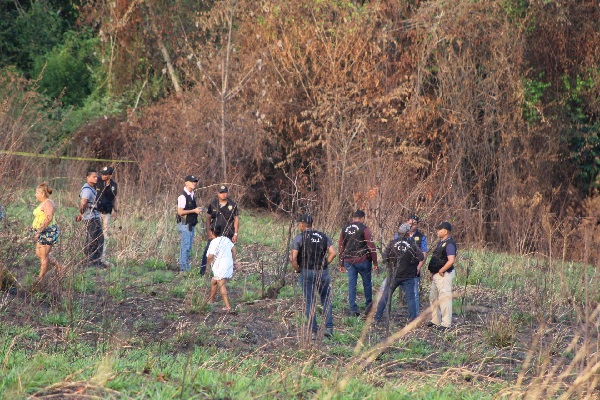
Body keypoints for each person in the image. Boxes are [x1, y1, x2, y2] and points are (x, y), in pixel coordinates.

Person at [291, 214, 337, 339]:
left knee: (310, 301)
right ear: (311, 224)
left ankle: (313, 331)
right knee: (326, 299)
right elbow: (333, 253)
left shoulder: (299, 238)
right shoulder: (323, 236)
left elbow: (293, 258)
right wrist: (325, 263)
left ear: (301, 224)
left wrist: (298, 270)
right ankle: (329, 328)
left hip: (306, 272)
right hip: (322, 272)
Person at [374, 223, 424, 322]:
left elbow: (384, 257)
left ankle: (377, 317)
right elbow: (421, 257)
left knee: (386, 296)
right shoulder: (412, 244)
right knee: (410, 298)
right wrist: (413, 262)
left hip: (393, 275)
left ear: (399, 232)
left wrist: (390, 263)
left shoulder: (392, 243)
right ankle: (413, 320)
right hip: (408, 276)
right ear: (408, 233)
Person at [338, 209, 378, 316]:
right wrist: (375, 262)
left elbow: (341, 247)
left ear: (353, 218)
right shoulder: (364, 229)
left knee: (352, 285)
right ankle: (369, 308)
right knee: (367, 283)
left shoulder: (344, 229)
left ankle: (353, 309)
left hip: (348, 261)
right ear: (362, 218)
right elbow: (371, 246)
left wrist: (341, 263)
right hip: (363, 260)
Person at [201, 185, 240, 275]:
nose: (223, 194)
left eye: (225, 192)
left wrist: (236, 233)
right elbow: (208, 217)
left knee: (229, 252)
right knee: (208, 251)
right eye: (221, 193)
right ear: (218, 193)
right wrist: (208, 231)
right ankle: (203, 271)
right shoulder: (213, 204)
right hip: (215, 233)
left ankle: (227, 272)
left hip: (228, 233)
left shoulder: (232, 205)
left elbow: (236, 219)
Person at [396, 215, 428, 315]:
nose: (411, 226)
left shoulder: (421, 237)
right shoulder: (399, 235)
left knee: (413, 293)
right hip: (399, 269)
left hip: (413, 269)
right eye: (409, 224)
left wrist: (418, 267)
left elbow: (424, 253)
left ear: (417, 225)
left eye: (414, 224)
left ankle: (415, 316)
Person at [427, 221, 457, 330]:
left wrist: (441, 271)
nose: (437, 231)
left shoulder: (449, 244)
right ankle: (435, 320)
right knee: (433, 297)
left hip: (444, 275)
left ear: (445, 231)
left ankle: (446, 324)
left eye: (439, 230)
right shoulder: (441, 242)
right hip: (436, 275)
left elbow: (451, 260)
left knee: (444, 298)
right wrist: (433, 273)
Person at [32, 182, 62, 282]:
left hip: (47, 232)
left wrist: (39, 231)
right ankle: (59, 266)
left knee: (43, 256)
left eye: (36, 193)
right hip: (42, 231)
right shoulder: (43, 203)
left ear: (42, 194)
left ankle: (40, 280)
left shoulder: (49, 203)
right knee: (39, 254)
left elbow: (49, 218)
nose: (35, 195)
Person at [76, 169, 104, 267]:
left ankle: (93, 261)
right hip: (91, 217)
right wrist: (80, 214)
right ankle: (92, 262)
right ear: (88, 177)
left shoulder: (92, 188)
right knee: (95, 240)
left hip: (93, 216)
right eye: (94, 177)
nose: (96, 178)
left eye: (97, 177)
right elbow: (84, 202)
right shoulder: (87, 189)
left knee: (95, 239)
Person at [207, 224, 237, 311]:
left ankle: (227, 306)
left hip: (220, 266)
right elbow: (234, 249)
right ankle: (211, 300)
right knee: (214, 281)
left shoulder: (214, 242)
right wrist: (233, 260)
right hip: (227, 264)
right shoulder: (226, 239)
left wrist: (207, 266)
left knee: (221, 284)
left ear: (212, 232)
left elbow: (210, 256)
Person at [176, 175, 202, 272]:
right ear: (186, 183)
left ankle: (186, 267)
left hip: (190, 225)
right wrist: (194, 211)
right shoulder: (182, 197)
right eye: (191, 181)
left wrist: (196, 210)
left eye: (195, 181)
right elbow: (180, 212)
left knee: (188, 247)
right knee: (185, 247)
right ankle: (184, 269)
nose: (194, 183)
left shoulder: (192, 194)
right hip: (184, 225)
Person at [96, 166, 118, 265]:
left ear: (110, 175)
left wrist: (116, 210)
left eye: (105, 174)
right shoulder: (98, 181)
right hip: (96, 212)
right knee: (95, 233)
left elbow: (114, 198)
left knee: (105, 235)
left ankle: (103, 258)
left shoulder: (113, 185)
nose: (103, 176)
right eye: (102, 174)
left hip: (107, 213)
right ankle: (93, 257)